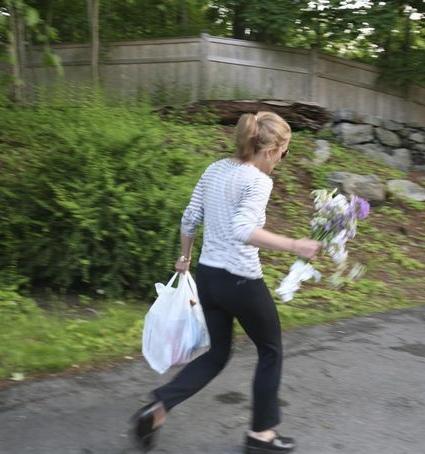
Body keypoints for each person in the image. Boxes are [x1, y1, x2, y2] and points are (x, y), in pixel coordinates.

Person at [132, 111, 323, 453]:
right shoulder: (258, 181)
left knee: (217, 354)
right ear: (271, 148)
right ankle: (261, 435)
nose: (282, 159)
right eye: (284, 151)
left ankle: (158, 408)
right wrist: (296, 245)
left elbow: (190, 218)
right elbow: (242, 230)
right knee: (270, 350)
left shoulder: (216, 168)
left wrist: (185, 258)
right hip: (240, 280)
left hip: (208, 277)